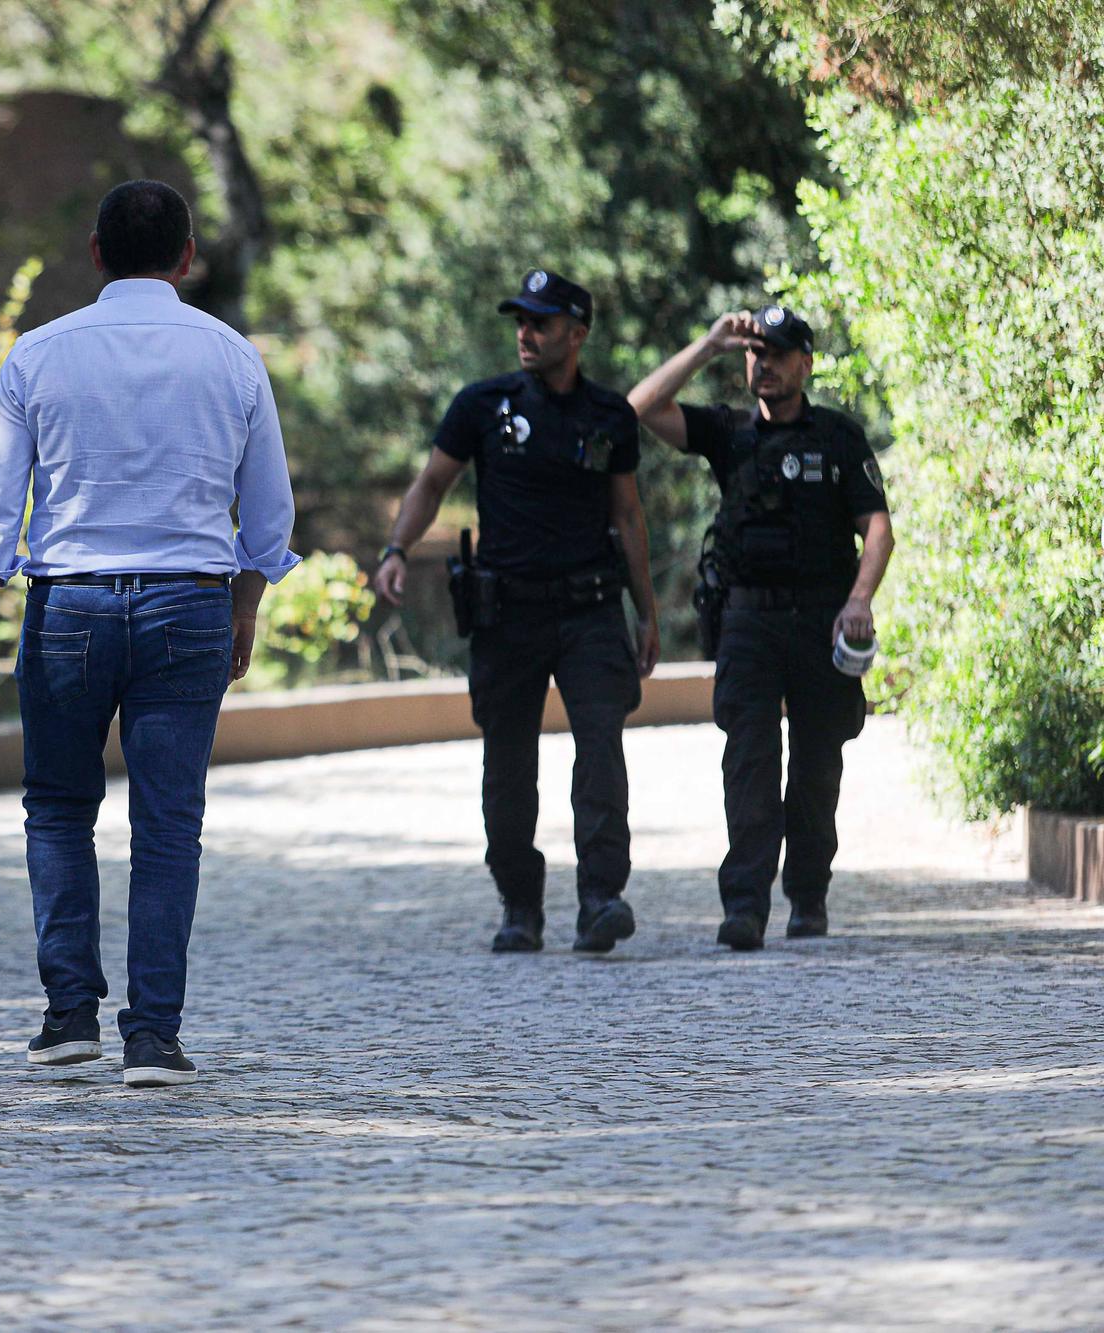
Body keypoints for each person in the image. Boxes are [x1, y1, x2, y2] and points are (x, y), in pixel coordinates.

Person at [0, 179, 298, 1088]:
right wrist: (243, 608)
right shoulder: (232, 357)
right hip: (189, 606)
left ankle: (69, 1016)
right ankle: (154, 1036)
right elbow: (267, 518)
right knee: (169, 824)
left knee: (59, 809)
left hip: (69, 608)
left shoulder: (38, 355)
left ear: (94, 253)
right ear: (186, 259)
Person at [377, 269, 660, 955]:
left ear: (577, 332)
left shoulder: (608, 415)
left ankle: (600, 897)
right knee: (507, 766)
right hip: (508, 615)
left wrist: (646, 611)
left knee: (600, 752)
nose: (526, 333)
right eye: (520, 321)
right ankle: (520, 903)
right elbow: (432, 483)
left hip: (591, 610)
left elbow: (627, 514)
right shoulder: (483, 405)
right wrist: (395, 549)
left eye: (541, 321)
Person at [628, 306, 893, 949]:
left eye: (777, 354)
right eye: (754, 354)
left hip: (820, 619)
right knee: (747, 757)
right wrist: (710, 343)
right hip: (747, 618)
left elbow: (877, 529)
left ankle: (807, 895)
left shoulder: (837, 437)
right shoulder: (729, 432)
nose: (763, 365)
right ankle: (744, 906)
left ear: (805, 364)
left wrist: (859, 600)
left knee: (815, 762)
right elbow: (638, 406)